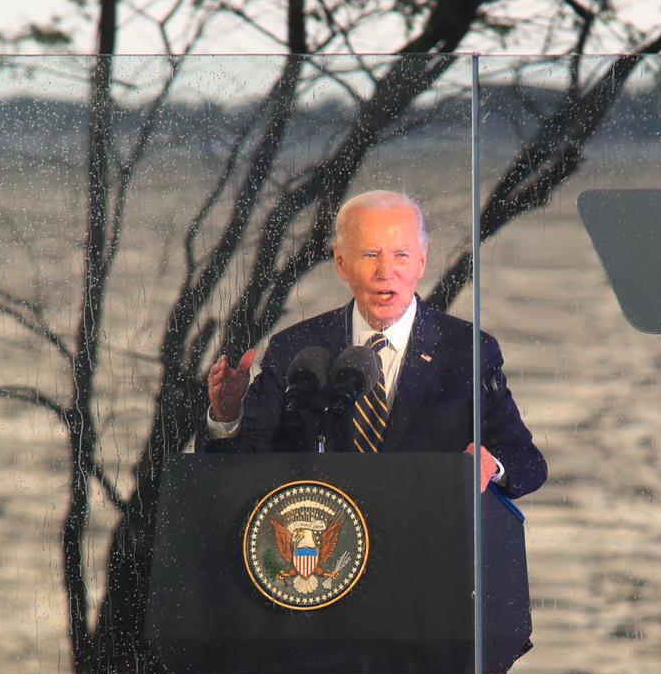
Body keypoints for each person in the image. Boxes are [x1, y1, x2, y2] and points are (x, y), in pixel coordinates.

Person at [201, 190, 546, 498]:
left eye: (401, 255)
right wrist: (227, 417)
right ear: (341, 262)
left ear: (422, 261)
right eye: (370, 254)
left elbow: (527, 462)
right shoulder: (296, 349)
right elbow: (240, 468)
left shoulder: (466, 351)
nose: (386, 272)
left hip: (424, 550)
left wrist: (491, 465)